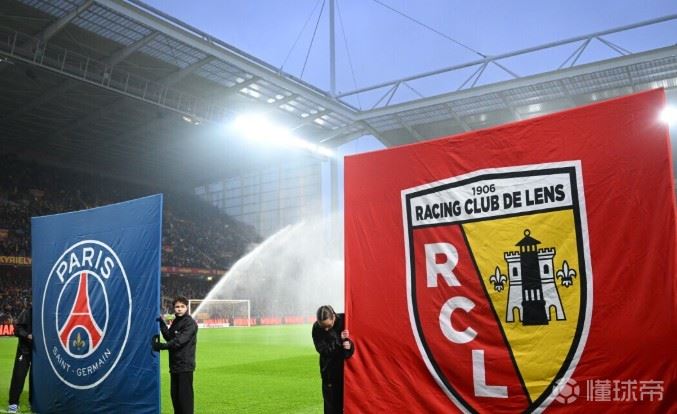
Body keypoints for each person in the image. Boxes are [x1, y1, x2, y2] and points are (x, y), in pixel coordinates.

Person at [152, 297, 198, 414]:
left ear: (187, 308)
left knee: (185, 399)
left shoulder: (190, 323)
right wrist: (161, 323)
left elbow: (179, 341)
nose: (179, 309)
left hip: (185, 366)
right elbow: (169, 337)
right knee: (176, 397)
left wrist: (162, 346)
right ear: (174, 308)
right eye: (177, 307)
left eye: (182, 306)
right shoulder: (176, 321)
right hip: (174, 365)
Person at [312, 305, 355, 414]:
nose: (326, 329)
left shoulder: (346, 320)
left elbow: (354, 344)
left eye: (328, 326)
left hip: (348, 373)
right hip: (330, 374)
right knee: (331, 409)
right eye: (323, 327)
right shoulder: (316, 327)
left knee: (350, 407)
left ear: (334, 317)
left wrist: (349, 345)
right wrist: (339, 340)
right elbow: (325, 351)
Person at [7, 305, 31, 414]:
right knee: (19, 376)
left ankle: (34, 402)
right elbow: (17, 329)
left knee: (37, 379)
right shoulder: (27, 312)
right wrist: (27, 335)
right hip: (24, 351)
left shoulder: (44, 313)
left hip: (39, 353)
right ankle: (13, 403)